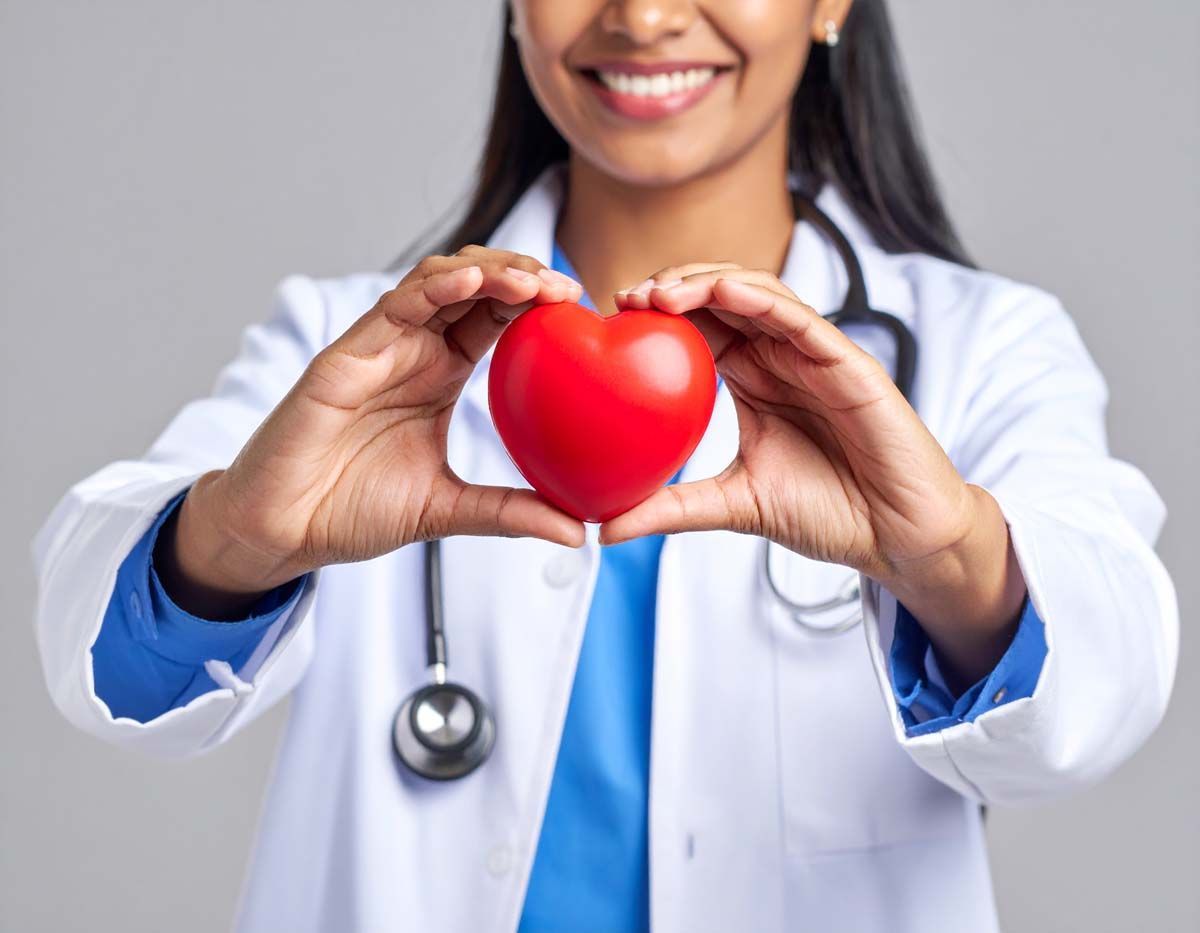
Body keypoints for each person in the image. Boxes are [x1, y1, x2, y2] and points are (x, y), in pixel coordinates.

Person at [31, 1, 1179, 931]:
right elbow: (109, 665)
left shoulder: (984, 349)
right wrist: (234, 542)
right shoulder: (345, 346)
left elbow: (1097, 687)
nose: (640, 16)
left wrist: (949, 560)